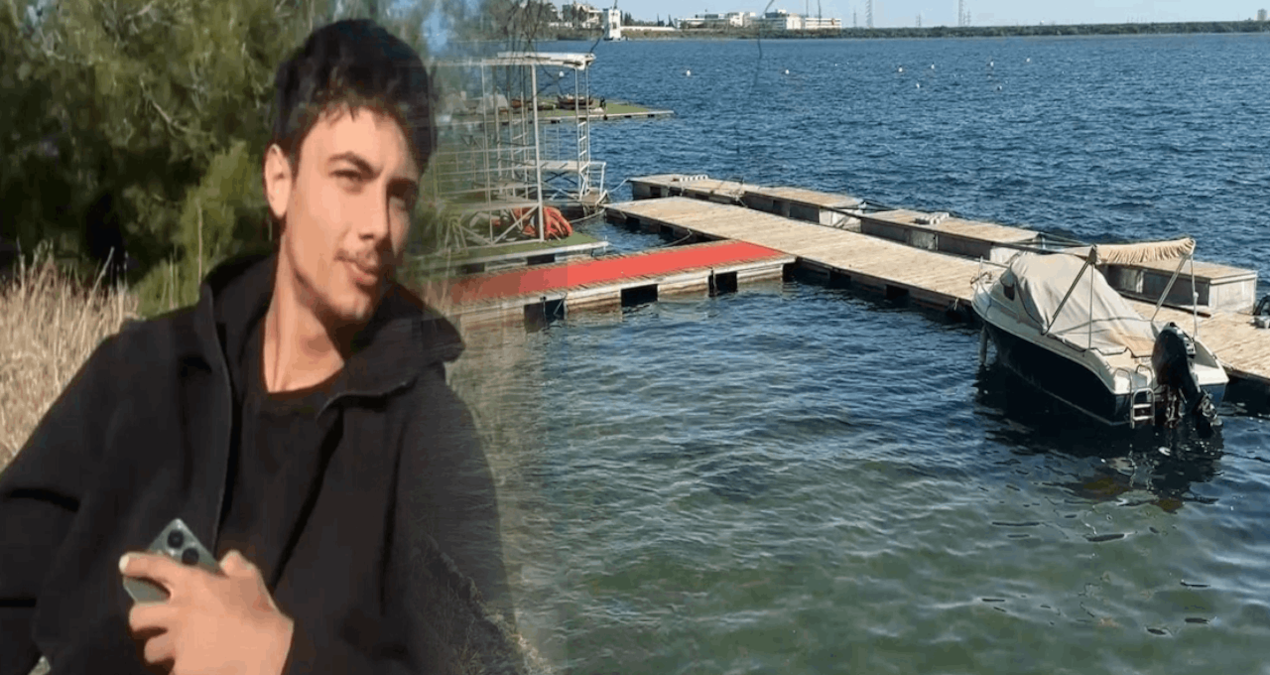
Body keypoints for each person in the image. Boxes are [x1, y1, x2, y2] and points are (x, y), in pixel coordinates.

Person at [0, 19, 519, 675]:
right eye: (350, 177)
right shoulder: (139, 374)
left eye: (400, 196)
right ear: (279, 179)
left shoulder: (427, 441)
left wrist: (280, 657)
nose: (378, 226)